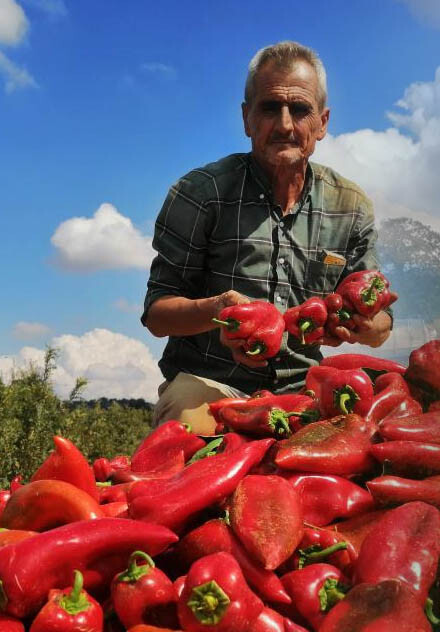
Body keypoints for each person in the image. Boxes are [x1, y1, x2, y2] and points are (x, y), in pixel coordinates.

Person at [141, 41, 393, 434]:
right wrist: (219, 309)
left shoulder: (350, 206)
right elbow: (157, 315)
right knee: (186, 425)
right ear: (247, 119)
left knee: (378, 437)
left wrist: (366, 325)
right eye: (270, 107)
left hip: (307, 388)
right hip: (211, 386)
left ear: (323, 122)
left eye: (301, 110)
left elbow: (381, 323)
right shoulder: (201, 193)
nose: (285, 125)